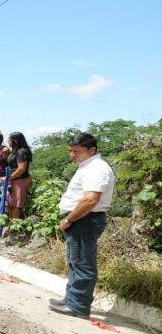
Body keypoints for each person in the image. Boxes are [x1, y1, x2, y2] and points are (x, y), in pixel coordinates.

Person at [49, 133, 114, 318]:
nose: (72, 155)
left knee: (83, 262)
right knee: (75, 260)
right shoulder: (88, 166)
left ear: (91, 150)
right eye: (70, 151)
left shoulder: (97, 168)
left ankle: (78, 305)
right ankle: (71, 298)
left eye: (76, 151)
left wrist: (69, 219)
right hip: (82, 219)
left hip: (85, 219)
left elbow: (91, 199)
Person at [4, 132, 33, 223]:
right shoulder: (14, 151)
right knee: (9, 203)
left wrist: (9, 178)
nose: (8, 141)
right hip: (13, 180)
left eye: (9, 140)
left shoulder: (22, 152)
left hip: (20, 180)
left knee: (16, 204)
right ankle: (12, 223)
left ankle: (14, 225)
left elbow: (21, 169)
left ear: (15, 141)